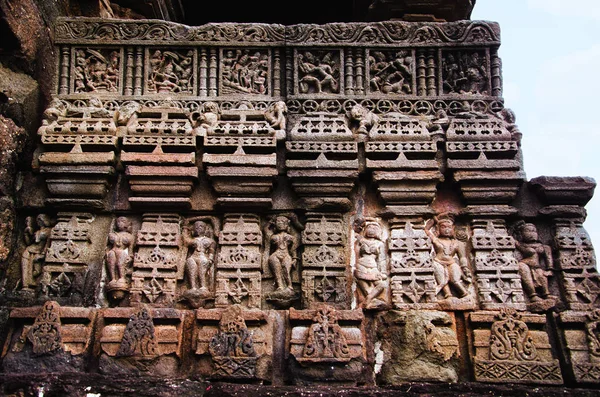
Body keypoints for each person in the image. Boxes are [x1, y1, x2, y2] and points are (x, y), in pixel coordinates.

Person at [424, 213, 471, 299]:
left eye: (449, 227)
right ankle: (447, 295)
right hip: (438, 262)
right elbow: (426, 230)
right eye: (443, 227)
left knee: (455, 279)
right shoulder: (436, 240)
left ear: (453, 229)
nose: (446, 230)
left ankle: (465, 294)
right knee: (442, 281)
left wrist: (464, 267)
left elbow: (462, 257)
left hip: (451, 262)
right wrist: (433, 221)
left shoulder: (456, 243)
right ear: (438, 229)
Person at [514, 222, 554, 302]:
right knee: (523, 269)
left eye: (534, 231)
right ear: (521, 234)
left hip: (537, 267)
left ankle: (546, 294)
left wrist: (550, 269)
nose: (532, 233)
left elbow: (549, 259)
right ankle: (532, 295)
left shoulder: (544, 247)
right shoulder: (521, 244)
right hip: (524, 264)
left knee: (541, 275)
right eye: (528, 231)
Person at [354, 218, 388, 309]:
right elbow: (356, 254)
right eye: (369, 227)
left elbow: (382, 260)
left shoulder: (380, 243)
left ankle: (368, 299)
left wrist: (383, 272)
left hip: (373, 267)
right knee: (362, 283)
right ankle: (369, 301)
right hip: (361, 265)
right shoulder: (361, 241)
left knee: (382, 284)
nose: (371, 229)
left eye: (374, 228)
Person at [266, 215, 299, 295]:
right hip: (275, 255)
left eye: (282, 222)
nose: (280, 224)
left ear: (287, 225)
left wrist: (294, 259)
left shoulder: (291, 237)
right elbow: (265, 230)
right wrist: (270, 222)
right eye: (278, 222)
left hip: (286, 255)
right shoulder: (272, 236)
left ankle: (290, 286)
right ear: (275, 224)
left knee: (286, 270)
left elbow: (293, 249)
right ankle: (280, 286)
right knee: (277, 272)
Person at [21, 214, 53, 291]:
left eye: (40, 220)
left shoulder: (49, 231)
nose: (38, 222)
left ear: (44, 220)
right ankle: (25, 285)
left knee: (37, 272)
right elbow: (29, 243)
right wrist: (26, 233)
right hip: (29, 251)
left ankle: (35, 285)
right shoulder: (37, 231)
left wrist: (43, 254)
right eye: (37, 220)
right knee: (26, 269)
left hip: (38, 253)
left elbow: (48, 244)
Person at [184, 220, 216, 294]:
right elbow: (185, 241)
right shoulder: (192, 240)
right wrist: (185, 228)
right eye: (196, 227)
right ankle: (193, 287)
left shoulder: (210, 241)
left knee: (202, 269)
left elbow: (212, 251)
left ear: (205, 229)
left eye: (201, 226)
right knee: (190, 264)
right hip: (193, 256)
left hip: (203, 256)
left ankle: (203, 286)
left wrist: (210, 259)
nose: (198, 228)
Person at [105, 216, 134, 286]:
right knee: (111, 260)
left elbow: (130, 250)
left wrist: (130, 257)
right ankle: (113, 278)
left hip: (122, 251)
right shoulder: (112, 235)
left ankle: (122, 277)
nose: (119, 223)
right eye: (118, 222)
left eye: (123, 222)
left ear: (127, 224)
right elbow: (107, 246)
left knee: (120, 262)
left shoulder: (130, 236)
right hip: (112, 250)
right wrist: (107, 252)